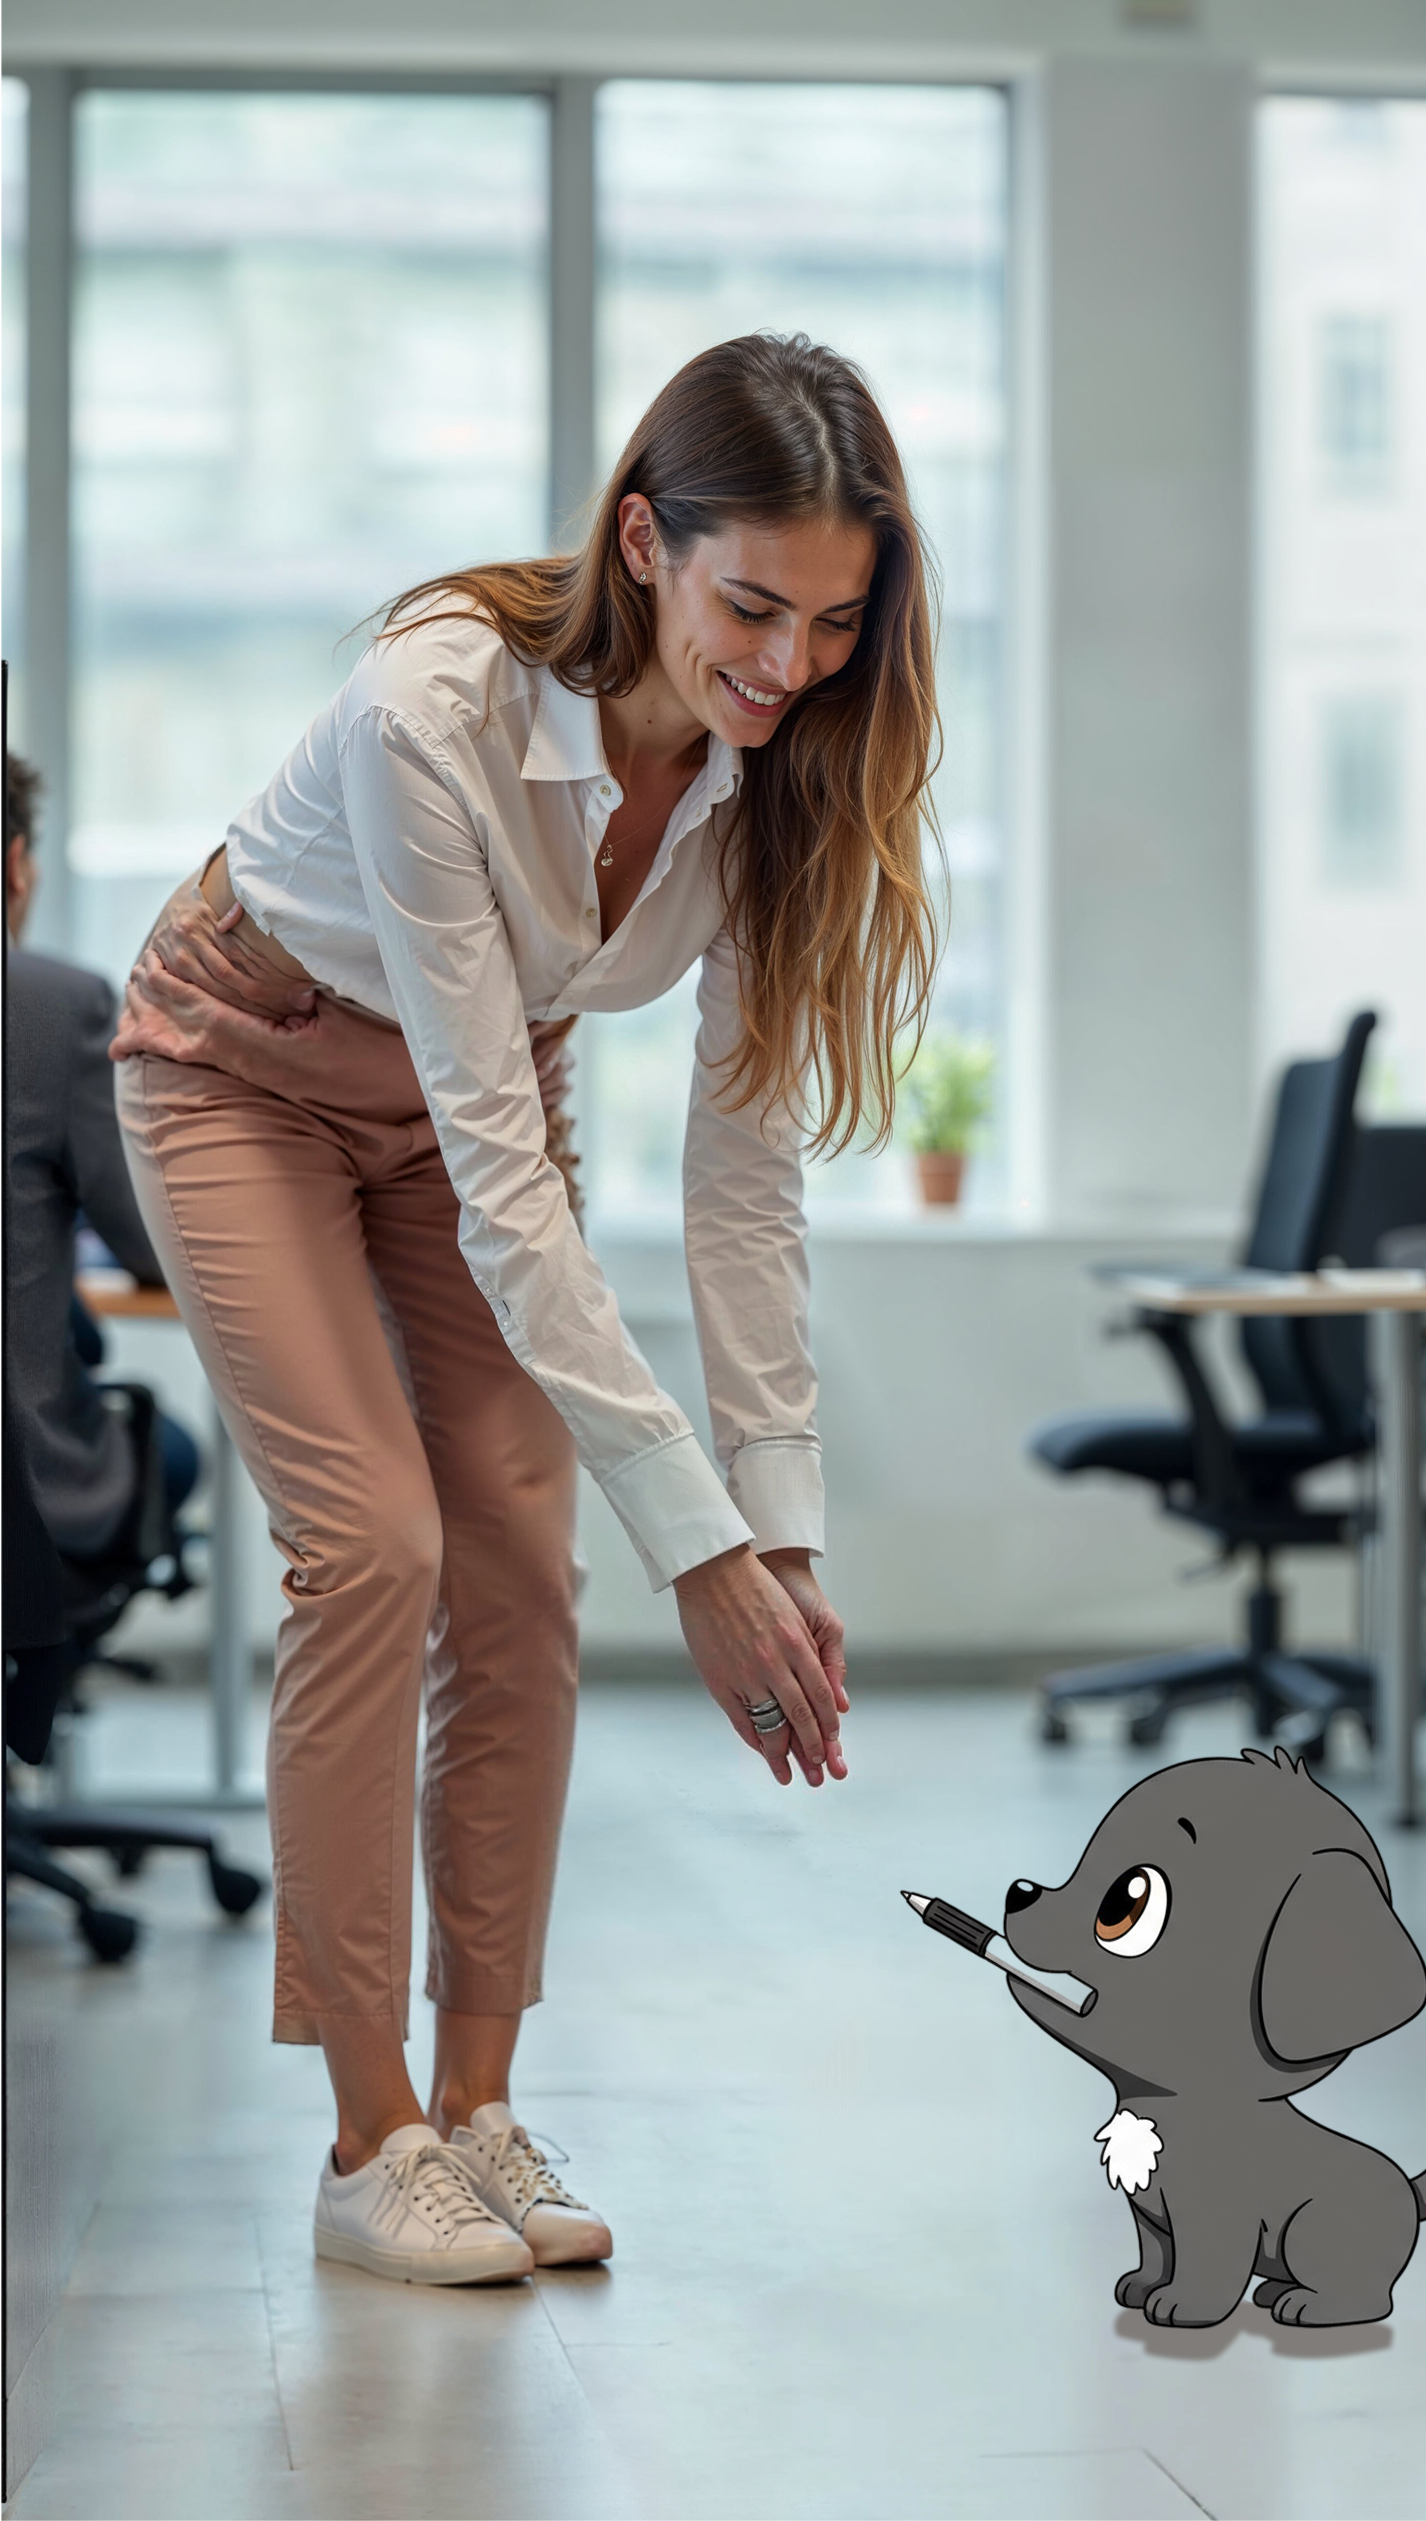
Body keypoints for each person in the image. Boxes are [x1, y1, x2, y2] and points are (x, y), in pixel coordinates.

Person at [107, 333, 938, 2287]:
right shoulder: (437, 709)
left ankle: (476, 2109)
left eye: (833, 621)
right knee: (374, 1536)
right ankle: (365, 2130)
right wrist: (704, 1548)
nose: (789, 662)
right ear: (643, 541)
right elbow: (506, 1177)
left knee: (521, 1552)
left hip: (466, 1094)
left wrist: (777, 1525)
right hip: (244, 1060)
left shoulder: (775, 778)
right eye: (751, 604)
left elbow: (740, 1184)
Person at [5, 751, 201, 1569]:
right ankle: (51, 1672)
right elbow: (152, 1247)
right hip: (24, 1481)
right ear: (16, 865)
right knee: (179, 1450)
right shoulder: (57, 1004)